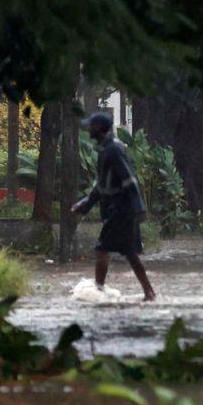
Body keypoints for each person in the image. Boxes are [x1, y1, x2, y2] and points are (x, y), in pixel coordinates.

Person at [71, 112, 157, 301]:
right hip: (117, 210)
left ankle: (99, 290)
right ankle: (149, 292)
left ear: (99, 129)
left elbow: (129, 179)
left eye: (91, 126)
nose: (88, 129)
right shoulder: (106, 149)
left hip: (122, 210)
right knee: (130, 252)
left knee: (103, 248)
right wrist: (84, 205)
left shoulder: (114, 150)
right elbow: (100, 186)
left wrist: (138, 207)